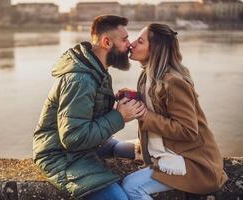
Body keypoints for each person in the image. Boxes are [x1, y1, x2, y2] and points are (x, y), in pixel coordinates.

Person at [33, 15, 145, 200]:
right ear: (107, 42)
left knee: (125, 149)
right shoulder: (80, 80)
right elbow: (73, 138)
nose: (129, 44)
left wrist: (117, 104)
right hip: (60, 154)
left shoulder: (95, 68)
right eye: (124, 39)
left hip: (86, 146)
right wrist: (119, 116)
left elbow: (86, 113)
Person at [121, 23, 228, 200]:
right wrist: (134, 97)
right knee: (117, 146)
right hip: (169, 151)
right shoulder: (147, 75)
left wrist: (146, 115)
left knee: (131, 186)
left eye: (140, 41)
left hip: (194, 163)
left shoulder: (173, 83)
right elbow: (157, 106)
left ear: (154, 50)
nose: (132, 44)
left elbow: (188, 130)